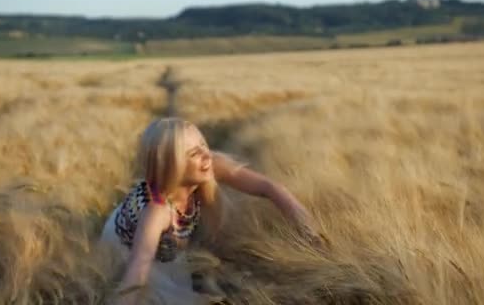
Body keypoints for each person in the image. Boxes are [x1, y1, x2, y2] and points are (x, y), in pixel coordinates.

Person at [100, 117, 320, 304]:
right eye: (194, 153)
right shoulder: (157, 212)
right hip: (130, 247)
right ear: (171, 165)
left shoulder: (211, 164)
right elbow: (138, 268)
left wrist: (310, 233)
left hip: (162, 237)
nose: (207, 156)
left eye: (203, 145)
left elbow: (270, 188)